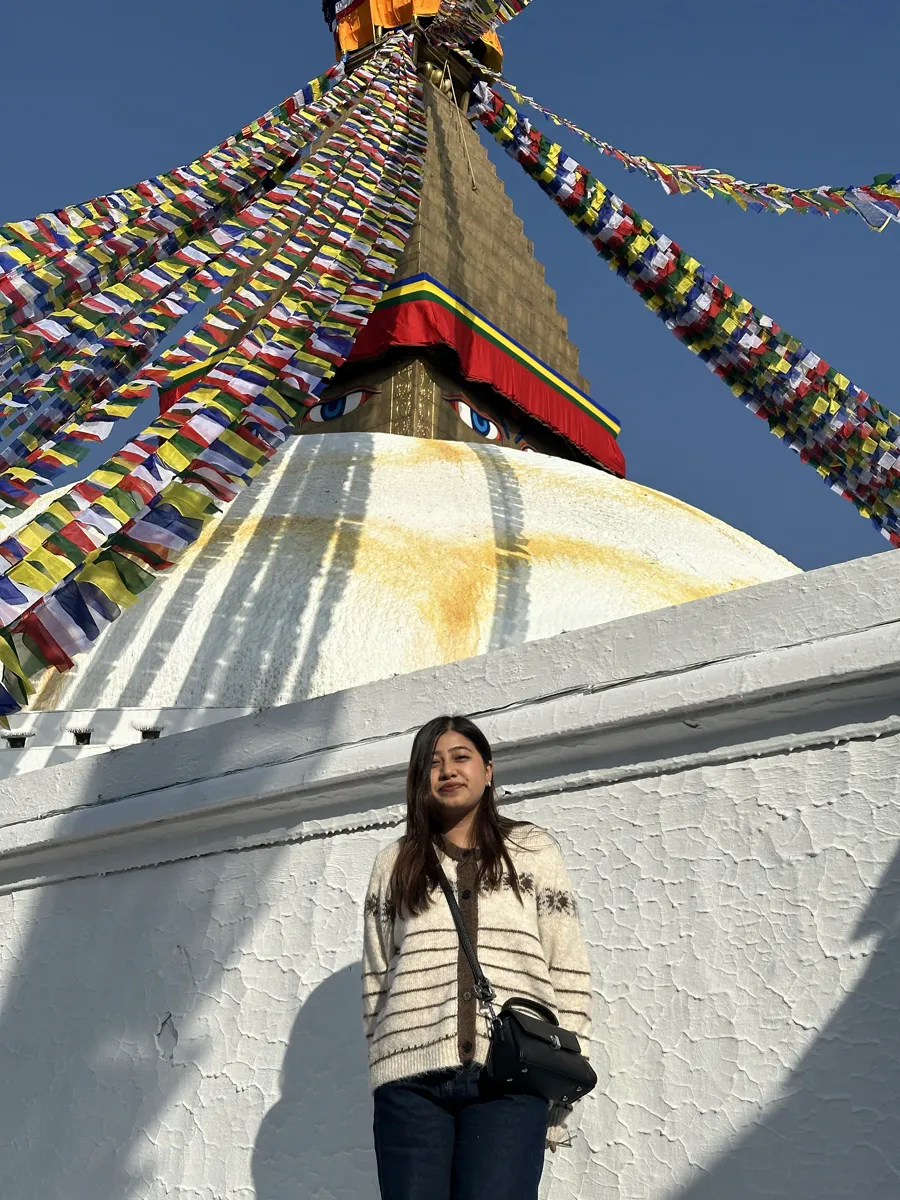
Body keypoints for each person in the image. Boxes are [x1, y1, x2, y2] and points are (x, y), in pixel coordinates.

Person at [361, 713, 594, 1200]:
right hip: (409, 1087)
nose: (447, 770)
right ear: (419, 780)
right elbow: (376, 982)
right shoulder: (395, 863)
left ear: (488, 771)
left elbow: (567, 970)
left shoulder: (531, 850)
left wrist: (559, 1098)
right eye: (434, 762)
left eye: (461, 757)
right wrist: (383, 1072)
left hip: (507, 1082)